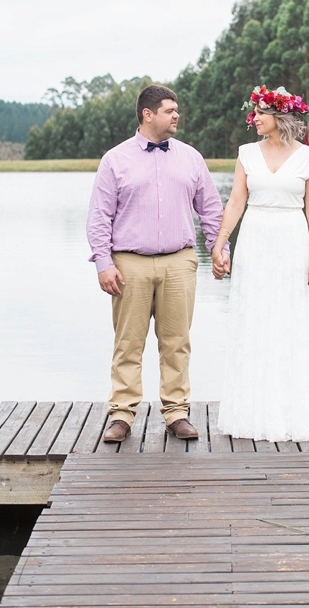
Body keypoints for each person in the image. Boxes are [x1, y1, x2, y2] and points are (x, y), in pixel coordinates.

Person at [86, 84, 228, 443]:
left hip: (179, 263)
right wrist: (103, 262)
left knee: (177, 341)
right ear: (147, 115)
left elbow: (210, 208)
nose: (176, 115)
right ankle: (122, 414)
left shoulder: (191, 158)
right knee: (128, 343)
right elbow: (99, 217)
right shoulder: (115, 160)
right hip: (128, 264)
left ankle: (177, 412)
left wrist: (218, 248)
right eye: (169, 110)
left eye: (177, 109)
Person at [212, 86, 309, 442]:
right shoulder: (246, 153)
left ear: (282, 117)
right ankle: (249, 415)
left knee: (288, 323)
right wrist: (221, 241)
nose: (254, 118)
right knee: (254, 321)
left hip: (292, 242)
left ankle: (288, 416)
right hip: (255, 241)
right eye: (254, 112)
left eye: (260, 112)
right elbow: (235, 202)